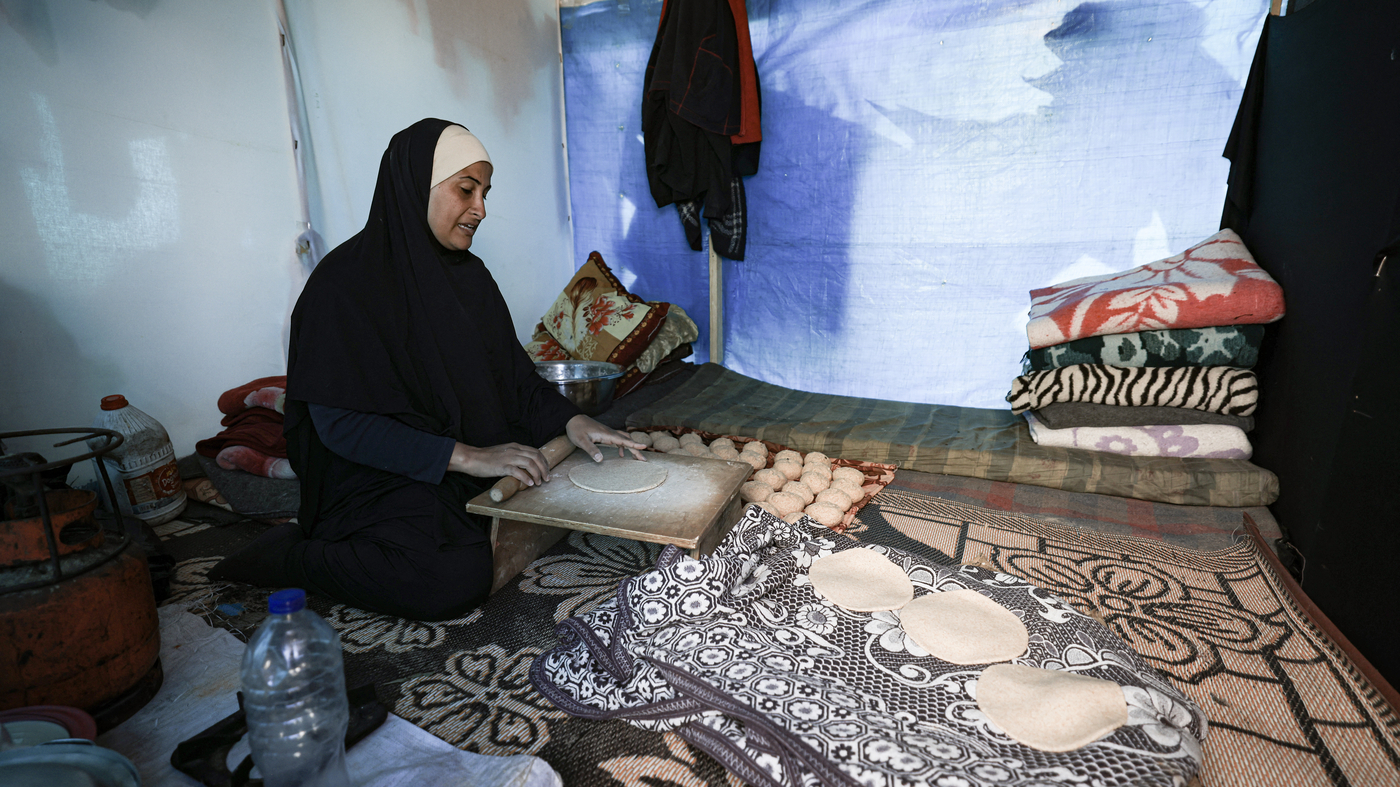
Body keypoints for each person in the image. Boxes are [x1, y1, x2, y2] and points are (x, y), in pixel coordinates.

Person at [209, 119, 644, 620]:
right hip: (373, 475)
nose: (480, 208)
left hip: (452, 458)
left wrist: (573, 421)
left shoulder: (470, 277)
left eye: (484, 192)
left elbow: (515, 380)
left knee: (553, 491)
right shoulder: (343, 287)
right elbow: (343, 426)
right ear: (416, 185)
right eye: (466, 189)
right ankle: (294, 556)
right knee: (450, 577)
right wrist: (468, 458)